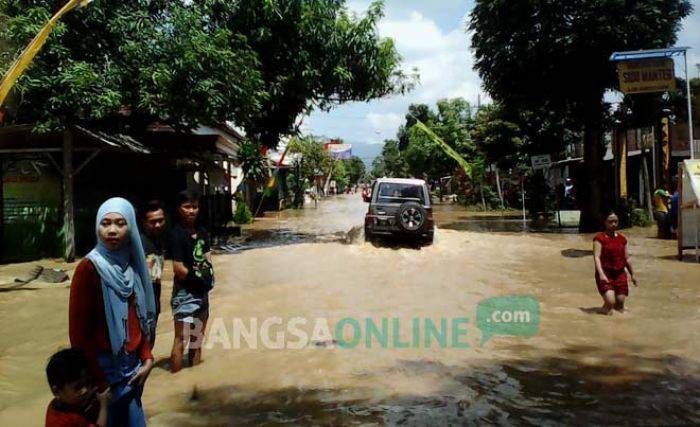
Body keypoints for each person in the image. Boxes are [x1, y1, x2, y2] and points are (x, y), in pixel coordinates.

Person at [69, 197, 156, 426]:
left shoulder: (132, 266)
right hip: (104, 372)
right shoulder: (88, 269)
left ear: (132, 228)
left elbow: (140, 319)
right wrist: (99, 383)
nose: (112, 230)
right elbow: (79, 336)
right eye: (105, 223)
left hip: (135, 368)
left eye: (120, 223)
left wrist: (147, 358)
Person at [169, 190, 215, 373]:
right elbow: (178, 269)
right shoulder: (176, 234)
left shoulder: (202, 232)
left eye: (195, 207)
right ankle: (175, 380)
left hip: (202, 293)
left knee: (196, 341)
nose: (191, 211)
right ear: (179, 209)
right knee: (181, 340)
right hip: (185, 293)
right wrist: (198, 279)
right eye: (187, 207)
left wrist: (209, 279)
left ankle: (194, 380)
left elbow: (208, 258)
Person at [45, 348, 111, 427]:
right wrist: (103, 406)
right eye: (77, 387)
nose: (85, 390)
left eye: (87, 383)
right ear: (56, 391)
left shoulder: (60, 404)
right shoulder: (65, 422)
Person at [593, 211, 638, 315]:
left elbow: (627, 258)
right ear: (605, 222)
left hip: (620, 274)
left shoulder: (622, 239)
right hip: (606, 273)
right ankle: (601, 310)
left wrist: (633, 274)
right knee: (610, 303)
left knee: (620, 305)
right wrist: (601, 274)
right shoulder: (599, 238)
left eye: (615, 222)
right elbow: (596, 257)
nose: (613, 224)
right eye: (610, 222)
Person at [140, 200, 167, 346]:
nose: (157, 225)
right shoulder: (140, 245)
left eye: (160, 221)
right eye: (153, 222)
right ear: (144, 222)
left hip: (154, 304)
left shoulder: (158, 243)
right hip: (141, 308)